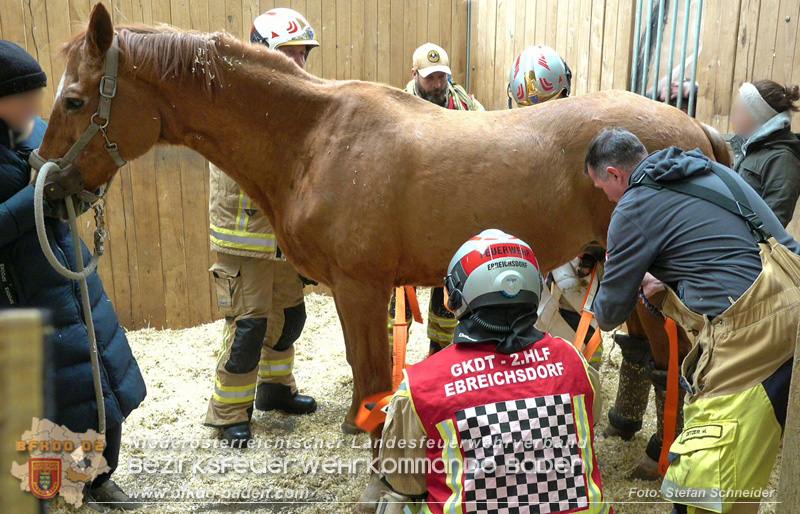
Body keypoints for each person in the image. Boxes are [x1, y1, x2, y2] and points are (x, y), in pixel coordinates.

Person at [585, 127, 800, 514]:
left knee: (701, 487)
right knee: (743, 467)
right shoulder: (714, 171)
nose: (608, 198)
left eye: (603, 188)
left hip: (750, 335)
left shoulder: (633, 207)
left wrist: (625, 272)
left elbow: (609, 312)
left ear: (615, 174)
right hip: (792, 308)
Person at [0, 40, 146, 511]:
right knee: (48, 402)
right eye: (25, 98)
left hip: (69, 278)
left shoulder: (37, 132)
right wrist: (36, 199)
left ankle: (98, 478)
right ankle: (50, 490)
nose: (35, 107)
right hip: (21, 296)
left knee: (99, 383)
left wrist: (84, 185)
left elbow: (67, 185)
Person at [375, 229, 611, 514]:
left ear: (454, 299)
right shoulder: (574, 363)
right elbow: (589, 420)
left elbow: (406, 480)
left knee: (393, 504)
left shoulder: (422, 385)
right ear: (535, 292)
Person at [205, 7, 318, 447]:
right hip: (244, 236)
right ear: (261, 54)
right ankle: (228, 411)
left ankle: (275, 389)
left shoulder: (294, 101)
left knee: (289, 317)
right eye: (289, 55)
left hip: (282, 235)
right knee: (247, 328)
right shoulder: (235, 102)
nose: (299, 65)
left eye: (302, 55)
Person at [391, 43, 484, 355]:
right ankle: (392, 359)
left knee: (450, 289)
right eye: (430, 78)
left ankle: (440, 356)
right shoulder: (396, 110)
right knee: (399, 294)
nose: (437, 85)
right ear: (415, 75)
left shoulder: (467, 106)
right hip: (409, 219)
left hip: (453, 215)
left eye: (442, 77)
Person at [730, 80, 800, 227]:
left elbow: (774, 222)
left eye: (740, 112)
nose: (733, 118)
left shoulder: (782, 159)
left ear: (760, 117)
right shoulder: (750, 149)